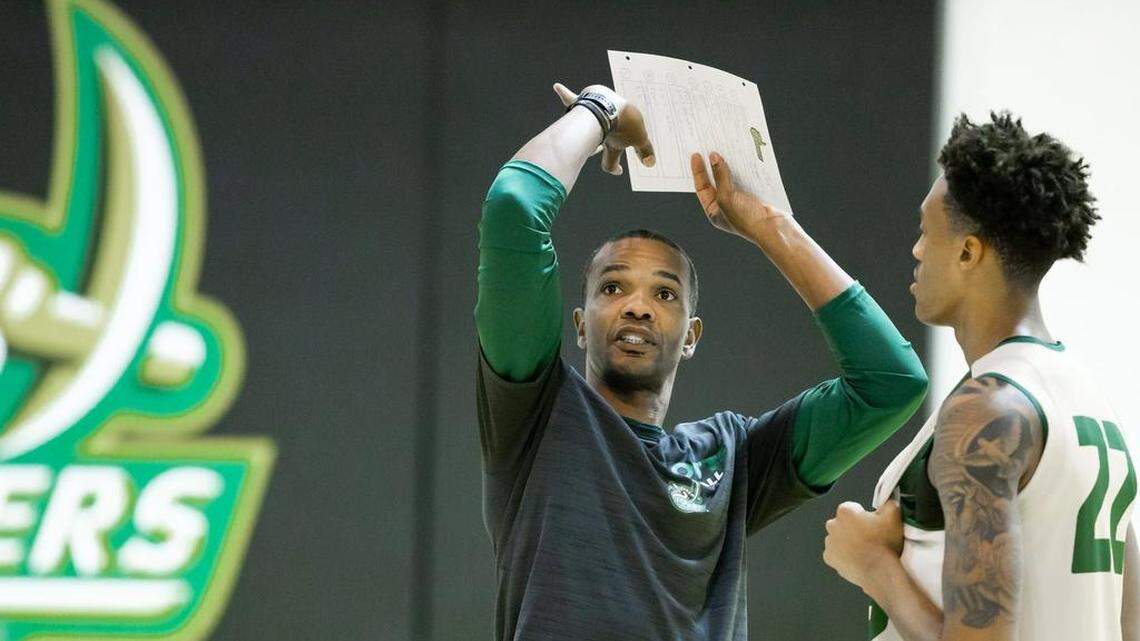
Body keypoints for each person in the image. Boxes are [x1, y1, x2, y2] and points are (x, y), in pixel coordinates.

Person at [475, 82, 928, 641]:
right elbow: (515, 207)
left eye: (664, 294)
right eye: (613, 288)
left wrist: (768, 226)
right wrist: (599, 111)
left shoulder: (731, 458)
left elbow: (892, 383)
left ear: (691, 336)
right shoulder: (536, 413)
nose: (638, 306)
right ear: (579, 325)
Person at [822, 112, 1139, 641]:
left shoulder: (986, 409)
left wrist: (873, 564)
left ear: (969, 252)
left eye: (927, 232)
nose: (917, 250)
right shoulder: (1087, 396)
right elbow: (1131, 621)